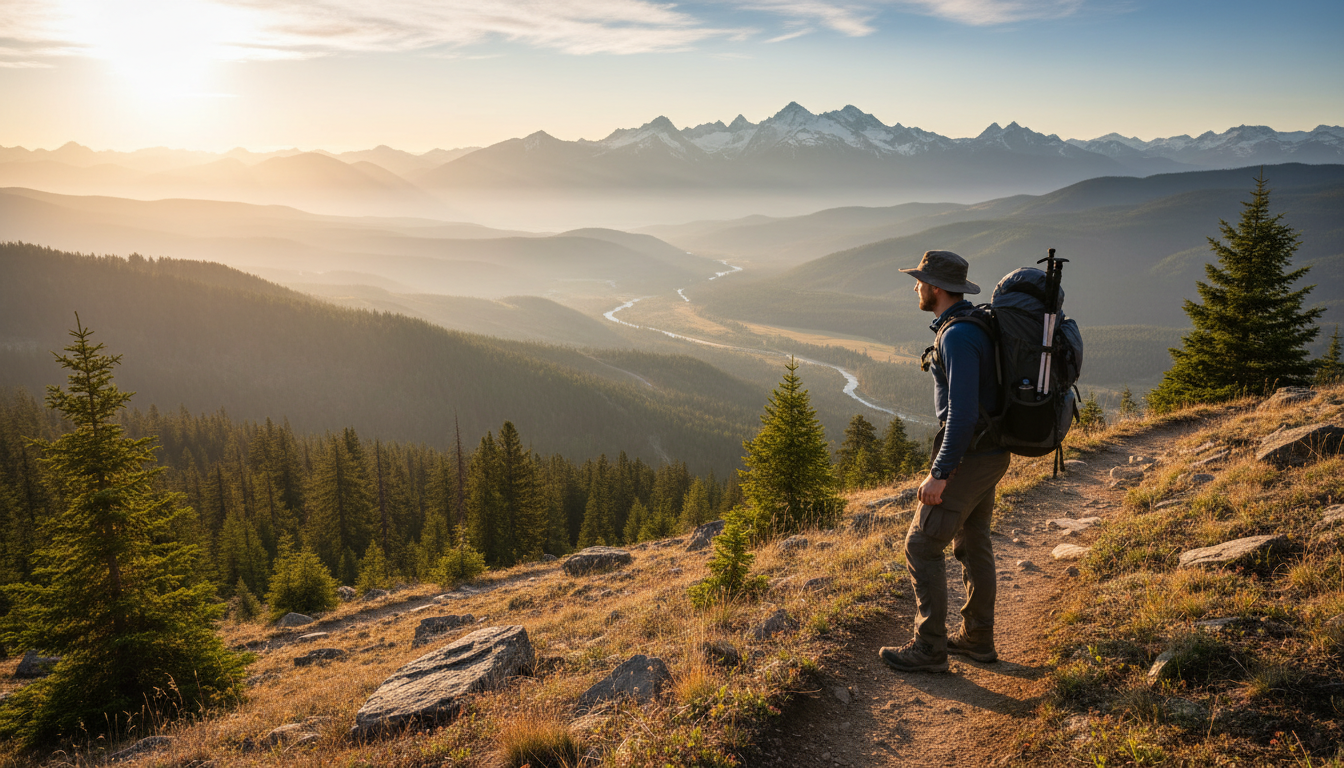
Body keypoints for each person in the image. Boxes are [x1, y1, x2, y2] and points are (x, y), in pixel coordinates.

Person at [880, 250, 1010, 673]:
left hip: (970, 455)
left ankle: (930, 648)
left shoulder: (956, 336)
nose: (915, 286)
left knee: (921, 545)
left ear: (936, 287)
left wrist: (940, 473)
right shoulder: (976, 324)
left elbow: (962, 412)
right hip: (991, 452)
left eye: (919, 280)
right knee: (973, 542)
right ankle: (977, 639)